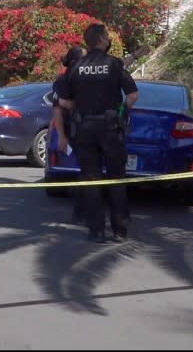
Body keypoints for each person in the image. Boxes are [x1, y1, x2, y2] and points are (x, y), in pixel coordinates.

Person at [58, 24, 139, 243]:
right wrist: (121, 112)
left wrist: (79, 106)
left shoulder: (76, 66)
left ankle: (96, 231)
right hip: (111, 128)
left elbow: (63, 101)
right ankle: (119, 231)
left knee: (91, 179)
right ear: (102, 39)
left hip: (85, 129)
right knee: (116, 179)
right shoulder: (113, 64)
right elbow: (132, 95)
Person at [52, 45, 87, 221]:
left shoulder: (87, 77)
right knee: (85, 171)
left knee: (89, 172)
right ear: (74, 61)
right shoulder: (63, 81)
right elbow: (58, 110)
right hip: (75, 129)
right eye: (84, 58)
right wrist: (62, 137)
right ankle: (80, 212)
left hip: (90, 129)